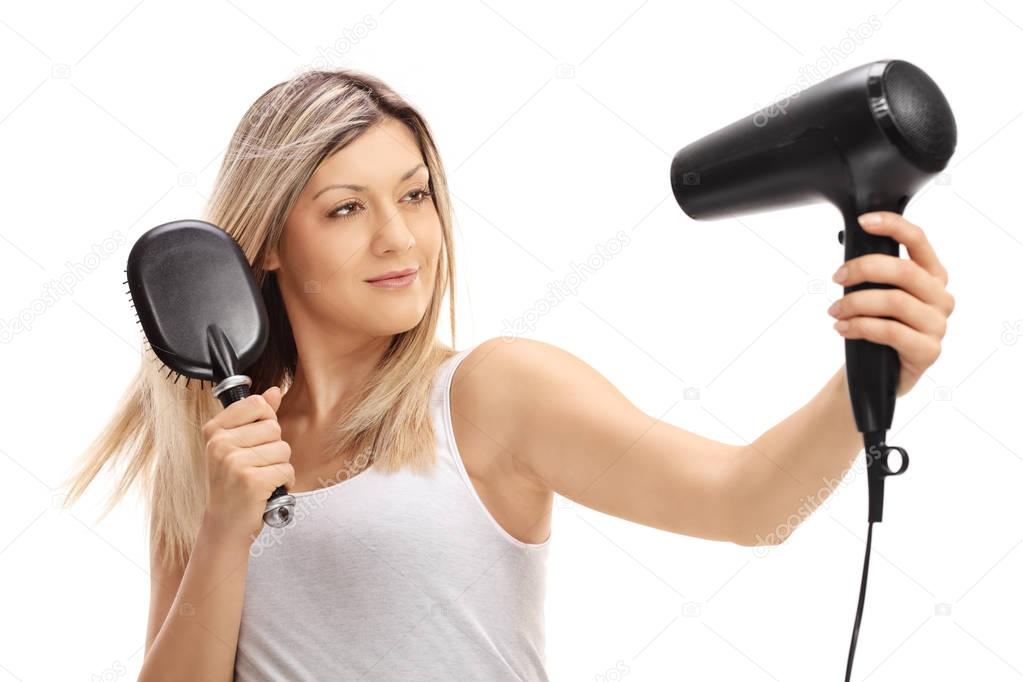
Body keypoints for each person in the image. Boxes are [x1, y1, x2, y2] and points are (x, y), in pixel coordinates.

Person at [60, 68, 955, 681]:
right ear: (263, 246)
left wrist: (866, 382)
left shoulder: (491, 395)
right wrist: (223, 529)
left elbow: (746, 505)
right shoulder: (216, 453)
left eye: (414, 195)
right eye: (344, 209)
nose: (398, 238)